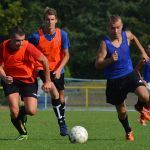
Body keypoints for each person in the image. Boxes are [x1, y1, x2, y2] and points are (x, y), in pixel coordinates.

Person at [95, 15, 150, 141]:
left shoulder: (127, 35)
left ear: (122, 26)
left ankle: (139, 107)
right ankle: (128, 131)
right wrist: (110, 60)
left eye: (118, 28)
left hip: (130, 74)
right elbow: (97, 65)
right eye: (112, 28)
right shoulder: (105, 43)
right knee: (122, 111)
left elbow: (134, 37)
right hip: (114, 81)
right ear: (108, 28)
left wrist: (142, 52)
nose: (115, 31)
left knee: (145, 96)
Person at [0, 26, 57, 140]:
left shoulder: (28, 46)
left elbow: (44, 60)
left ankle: (22, 113)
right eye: (17, 40)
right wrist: (4, 77)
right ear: (11, 38)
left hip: (28, 80)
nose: (20, 43)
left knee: (31, 111)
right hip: (11, 81)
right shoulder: (3, 46)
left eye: (22, 40)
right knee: (14, 110)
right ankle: (23, 133)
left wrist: (48, 81)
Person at [28, 7, 70, 136]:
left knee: (61, 99)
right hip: (42, 68)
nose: (50, 22)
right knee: (53, 91)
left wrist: (58, 69)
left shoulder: (62, 34)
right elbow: (27, 51)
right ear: (43, 21)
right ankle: (62, 124)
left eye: (52, 19)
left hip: (58, 70)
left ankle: (62, 119)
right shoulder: (35, 36)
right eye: (47, 19)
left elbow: (66, 55)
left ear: (56, 20)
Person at [134, 44, 150, 125]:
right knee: (146, 101)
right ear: (146, 50)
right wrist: (141, 79)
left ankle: (142, 118)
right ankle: (142, 116)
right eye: (148, 48)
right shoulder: (145, 60)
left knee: (146, 103)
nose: (149, 50)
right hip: (147, 83)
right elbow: (136, 70)